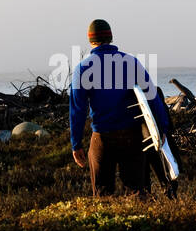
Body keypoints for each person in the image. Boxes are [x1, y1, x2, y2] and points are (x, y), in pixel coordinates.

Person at [69, 19, 171, 197]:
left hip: (102, 137)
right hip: (132, 136)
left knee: (102, 194)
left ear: (90, 40)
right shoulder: (131, 62)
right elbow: (152, 96)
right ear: (111, 37)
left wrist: (76, 143)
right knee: (137, 193)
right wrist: (161, 128)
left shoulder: (83, 68)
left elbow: (78, 110)